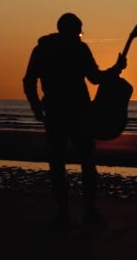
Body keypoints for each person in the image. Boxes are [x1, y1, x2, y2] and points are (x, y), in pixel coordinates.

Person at [22, 13, 127, 227]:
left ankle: (64, 214)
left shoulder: (42, 49)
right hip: (78, 112)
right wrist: (116, 68)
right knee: (87, 163)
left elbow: (29, 81)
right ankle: (87, 211)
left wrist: (36, 107)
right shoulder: (79, 48)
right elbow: (95, 78)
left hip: (55, 112)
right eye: (79, 31)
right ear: (71, 30)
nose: (80, 35)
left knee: (58, 164)